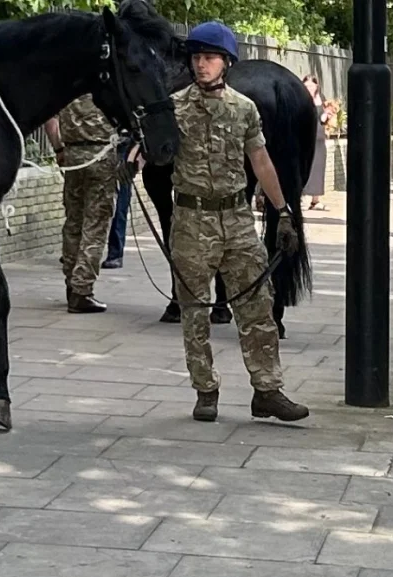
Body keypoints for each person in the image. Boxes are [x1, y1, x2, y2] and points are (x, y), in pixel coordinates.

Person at [165, 21, 309, 423]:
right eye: (195, 57)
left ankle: (267, 390)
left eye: (209, 57)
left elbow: (261, 161)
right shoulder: (174, 108)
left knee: (257, 306)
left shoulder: (244, 108)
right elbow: (154, 153)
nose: (200, 64)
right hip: (192, 221)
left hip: (238, 220)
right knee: (195, 310)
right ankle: (205, 390)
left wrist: (283, 213)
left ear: (226, 62)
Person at [44, 95, 119, 313]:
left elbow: (49, 118)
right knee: (95, 226)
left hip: (73, 155)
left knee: (73, 223)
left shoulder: (70, 82)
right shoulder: (105, 84)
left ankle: (71, 282)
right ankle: (82, 290)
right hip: (102, 154)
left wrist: (59, 149)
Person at [102, 132, 136, 270]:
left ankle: (115, 254)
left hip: (122, 151)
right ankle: (76, 250)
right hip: (96, 151)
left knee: (120, 206)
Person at [302, 74, 331, 211]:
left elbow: (324, 117)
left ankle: (316, 199)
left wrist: (327, 117)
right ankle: (305, 197)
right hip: (307, 138)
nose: (309, 88)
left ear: (316, 86)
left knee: (319, 167)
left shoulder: (322, 99)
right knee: (309, 167)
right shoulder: (302, 100)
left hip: (320, 138)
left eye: (311, 86)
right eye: (306, 86)